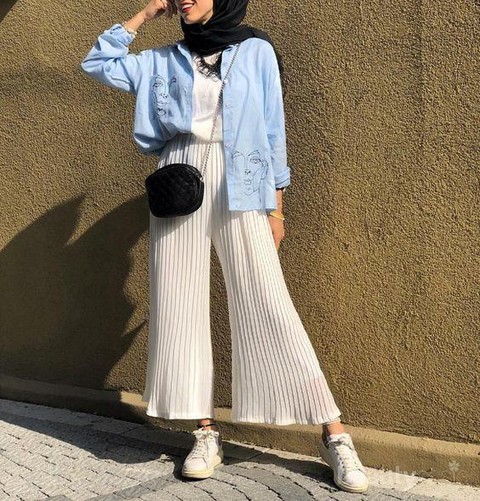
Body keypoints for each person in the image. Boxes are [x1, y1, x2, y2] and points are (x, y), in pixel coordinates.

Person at [80, 0, 369, 493]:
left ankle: (333, 433)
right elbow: (98, 62)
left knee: (268, 300)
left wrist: (277, 208)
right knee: (179, 304)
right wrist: (145, 15)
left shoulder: (255, 51)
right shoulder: (162, 59)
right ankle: (204, 431)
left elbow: (273, 130)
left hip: (244, 182)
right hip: (179, 180)